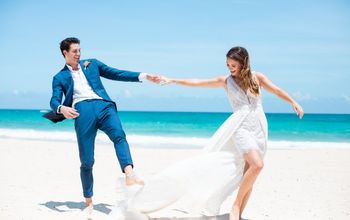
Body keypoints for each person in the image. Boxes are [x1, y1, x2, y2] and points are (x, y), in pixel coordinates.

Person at [122, 46, 304, 220]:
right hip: (239, 126)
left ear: (243, 62)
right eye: (228, 65)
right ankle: (235, 207)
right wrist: (173, 80)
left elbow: (277, 90)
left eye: (233, 65)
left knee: (251, 173)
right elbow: (198, 83)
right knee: (258, 165)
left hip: (259, 127)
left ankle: (238, 214)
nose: (230, 69)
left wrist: (293, 102)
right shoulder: (226, 81)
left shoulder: (258, 78)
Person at [48, 37, 161, 212]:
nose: (79, 54)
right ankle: (89, 201)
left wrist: (144, 76)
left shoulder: (92, 64)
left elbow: (116, 73)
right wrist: (62, 108)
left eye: (79, 50)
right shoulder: (59, 77)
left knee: (119, 135)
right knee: (87, 160)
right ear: (65, 53)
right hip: (82, 111)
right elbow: (54, 100)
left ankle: (129, 174)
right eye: (74, 51)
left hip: (104, 105)